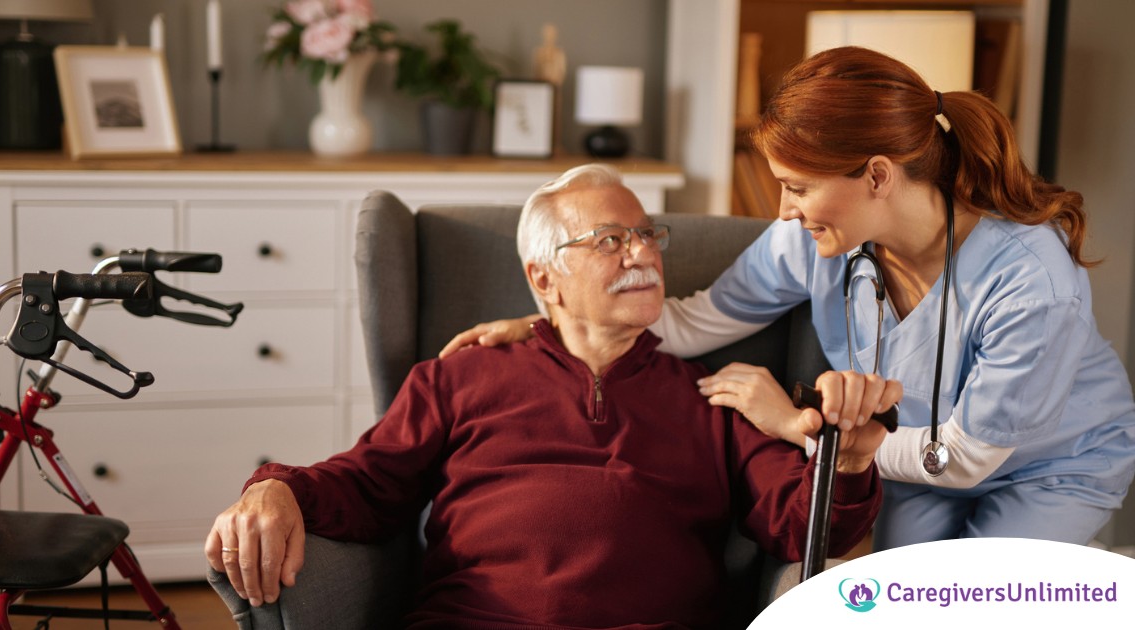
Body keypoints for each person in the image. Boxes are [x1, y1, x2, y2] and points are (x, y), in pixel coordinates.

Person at [439, 46, 1135, 551]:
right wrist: (552, 321)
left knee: (981, 607)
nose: (784, 208)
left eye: (797, 187)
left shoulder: (1029, 282)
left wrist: (796, 424)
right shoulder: (810, 240)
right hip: (915, 461)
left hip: (1049, 464)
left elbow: (966, 457)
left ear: (877, 176)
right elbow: (685, 324)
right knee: (894, 602)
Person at [206, 163, 887, 628]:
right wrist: (275, 488)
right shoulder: (458, 376)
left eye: (648, 235)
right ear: (545, 276)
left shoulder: (714, 397)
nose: (643, 255)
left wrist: (851, 461)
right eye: (610, 241)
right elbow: (368, 482)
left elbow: (803, 525)